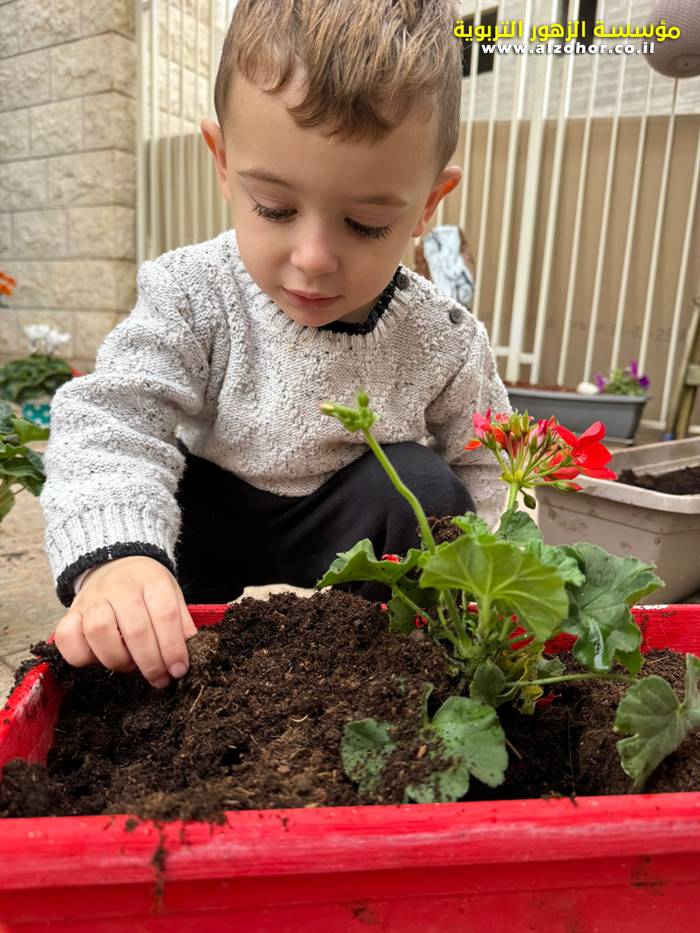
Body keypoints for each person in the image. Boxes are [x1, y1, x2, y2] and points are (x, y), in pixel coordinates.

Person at [40, 0, 511, 691]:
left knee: (425, 490)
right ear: (224, 163)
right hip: (206, 534)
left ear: (428, 205)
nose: (314, 257)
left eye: (366, 223)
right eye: (275, 208)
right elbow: (113, 418)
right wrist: (118, 558)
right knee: (153, 502)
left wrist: (498, 594)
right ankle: (156, 636)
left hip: (349, 552)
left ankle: (387, 673)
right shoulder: (193, 291)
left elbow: (490, 465)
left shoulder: (442, 336)